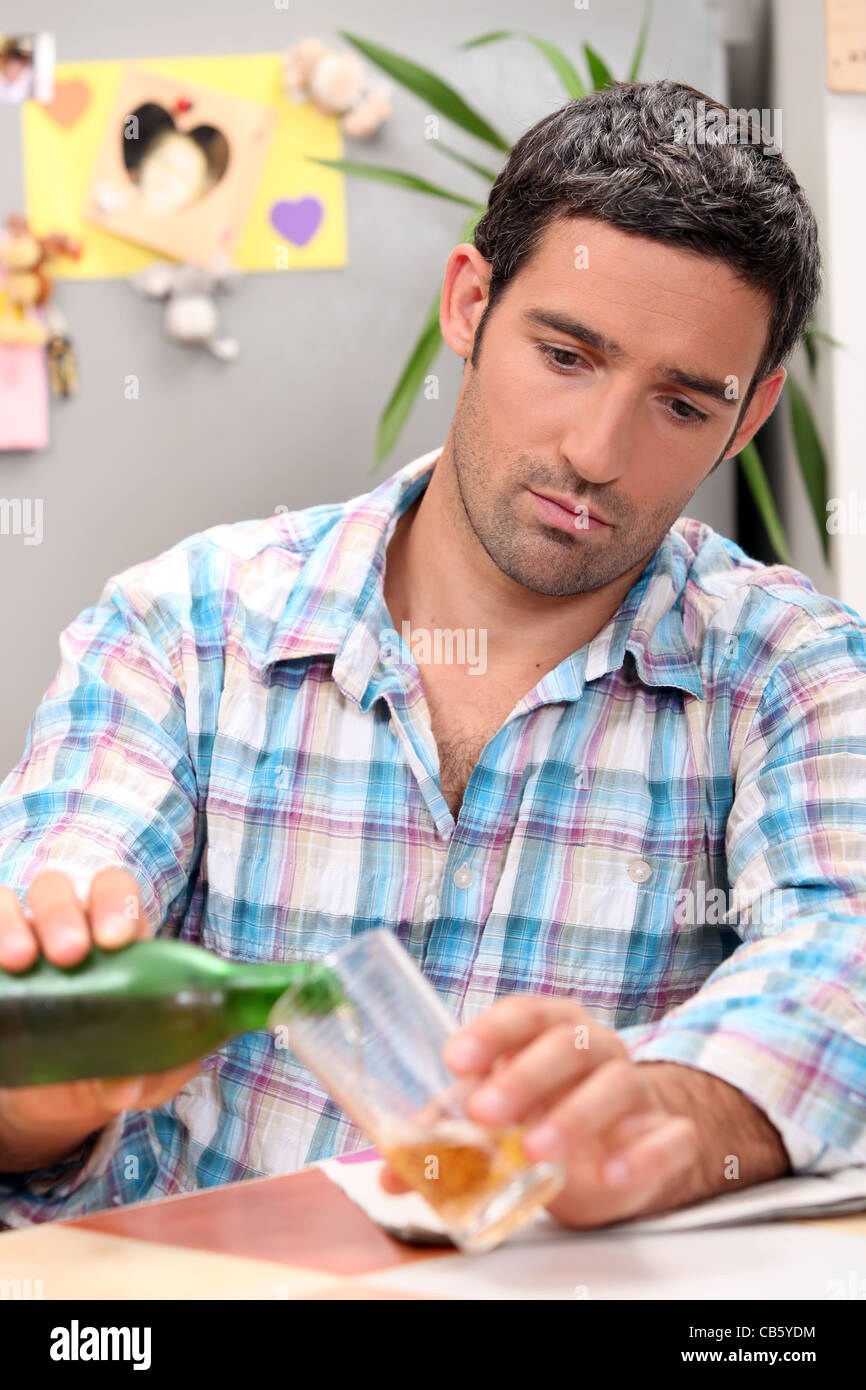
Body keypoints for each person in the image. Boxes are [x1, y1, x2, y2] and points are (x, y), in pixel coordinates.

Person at [1, 79, 864, 1233]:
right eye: (564, 355)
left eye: (678, 404)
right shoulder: (184, 627)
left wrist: (673, 1112)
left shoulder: (792, 670)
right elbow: (49, 918)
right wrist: (34, 1095)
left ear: (748, 417)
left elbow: (842, 958)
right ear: (468, 303)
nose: (593, 452)